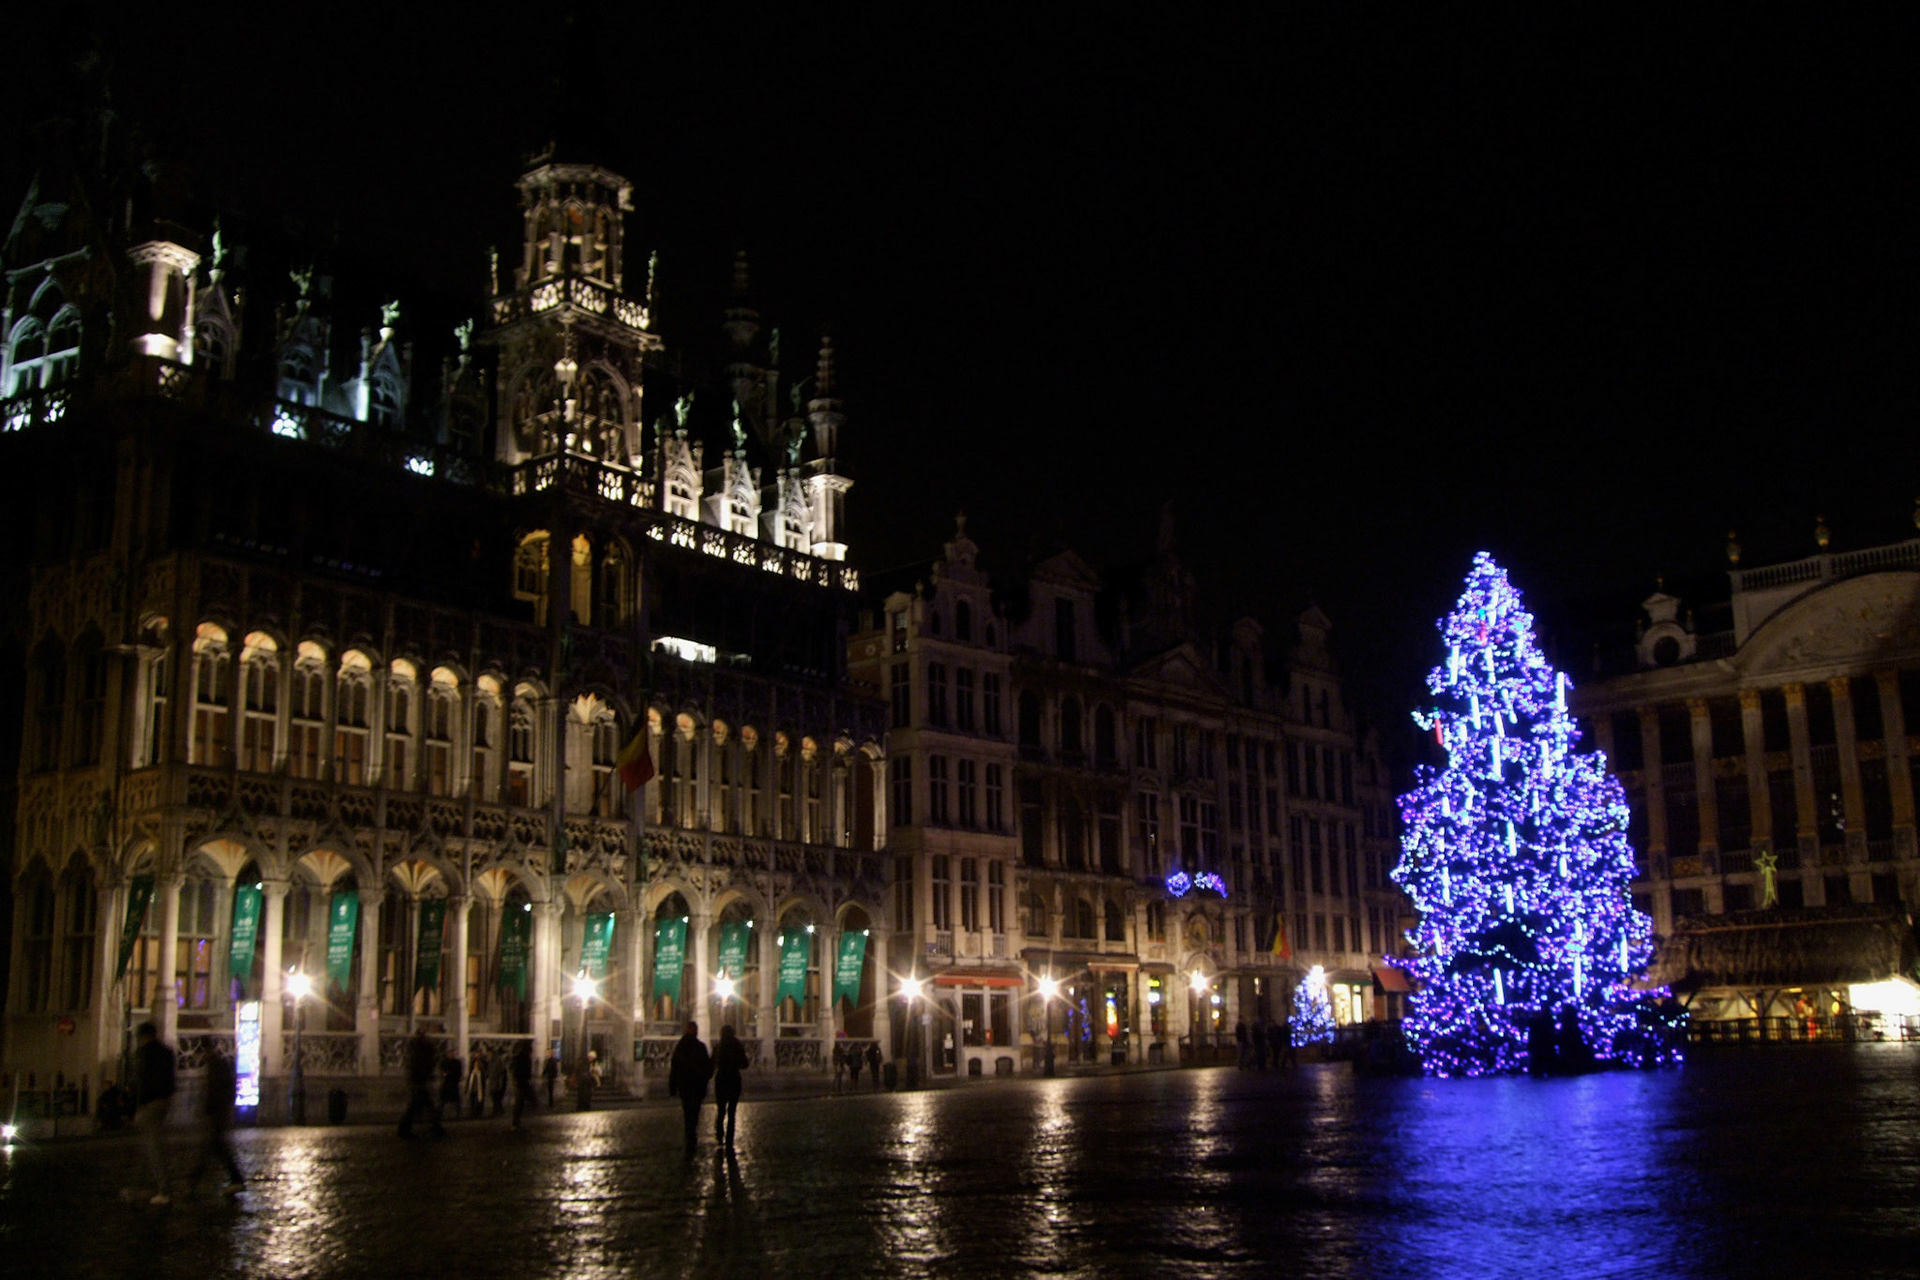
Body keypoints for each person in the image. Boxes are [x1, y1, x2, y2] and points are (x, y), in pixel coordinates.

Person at [130, 1022, 176, 1205]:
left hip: (148, 1104)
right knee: (145, 1147)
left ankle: (164, 1190)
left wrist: (135, 1106)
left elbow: (139, 1082)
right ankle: (136, 1187)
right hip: (162, 1102)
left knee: (153, 1148)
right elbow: (170, 1080)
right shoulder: (166, 1052)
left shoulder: (143, 1054)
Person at [193, 1043, 245, 1194]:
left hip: (217, 1111)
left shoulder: (216, 1066)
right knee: (214, 1146)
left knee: (215, 1146)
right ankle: (196, 1178)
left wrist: (208, 1108)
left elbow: (215, 1090)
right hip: (219, 1111)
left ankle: (197, 1178)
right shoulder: (219, 1064)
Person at [667, 1020, 712, 1156]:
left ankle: (690, 1134)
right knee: (695, 1111)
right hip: (697, 1086)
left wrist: (672, 1087)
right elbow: (707, 1068)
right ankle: (692, 1133)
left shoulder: (680, 1047)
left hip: (685, 1086)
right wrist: (705, 1080)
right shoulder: (700, 1047)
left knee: (687, 1111)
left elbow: (674, 1068)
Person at [400, 1027, 444, 1138]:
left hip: (416, 1080)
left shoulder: (412, 1046)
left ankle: (436, 1127)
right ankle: (436, 1128)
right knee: (423, 1105)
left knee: (419, 1105)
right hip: (420, 1080)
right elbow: (429, 1061)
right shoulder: (424, 1047)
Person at [712, 1024, 749, 1148]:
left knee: (721, 1110)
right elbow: (744, 1064)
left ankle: (719, 1135)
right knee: (732, 1112)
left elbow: (712, 1063)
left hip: (721, 1080)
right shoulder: (737, 1046)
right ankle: (729, 1139)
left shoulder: (718, 1046)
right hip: (733, 1080)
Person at [510, 1039, 535, 1129]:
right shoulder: (523, 1057)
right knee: (519, 1103)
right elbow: (521, 1070)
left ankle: (516, 1122)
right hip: (521, 1082)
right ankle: (515, 1122)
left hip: (520, 1082)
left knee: (520, 1103)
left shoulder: (520, 1057)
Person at [438, 1047, 463, 1123]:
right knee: (443, 1100)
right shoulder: (444, 1062)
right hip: (446, 1083)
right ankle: (439, 1114)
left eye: (452, 1053)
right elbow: (442, 1072)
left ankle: (458, 1113)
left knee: (456, 1100)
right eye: (450, 1053)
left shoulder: (457, 1062)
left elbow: (458, 1073)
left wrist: (449, 1074)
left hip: (453, 1083)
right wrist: (445, 1074)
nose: (451, 1055)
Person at [465, 1048, 488, 1118]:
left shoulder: (484, 1062)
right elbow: (469, 1074)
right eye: (477, 1053)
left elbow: (486, 1072)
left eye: (479, 1054)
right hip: (473, 1084)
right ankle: (472, 1112)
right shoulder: (472, 1062)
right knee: (472, 1099)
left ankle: (479, 1113)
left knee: (479, 1099)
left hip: (480, 1084)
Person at [487, 1047, 509, 1117]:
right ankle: (499, 1110)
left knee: (495, 1097)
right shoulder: (491, 1060)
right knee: (495, 1097)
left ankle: (496, 1110)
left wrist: (501, 1082)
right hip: (493, 1081)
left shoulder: (497, 1060)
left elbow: (501, 1072)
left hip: (496, 1082)